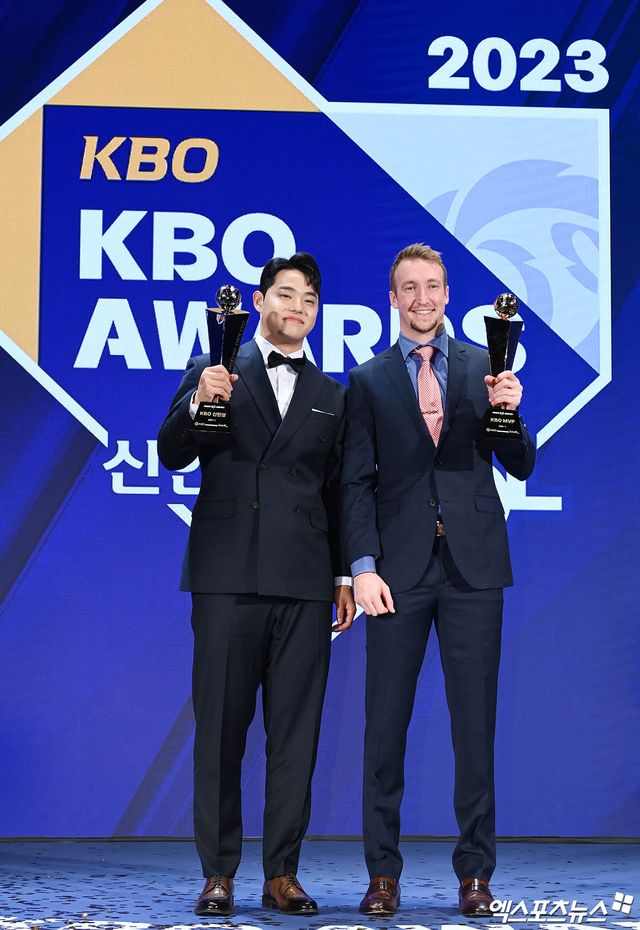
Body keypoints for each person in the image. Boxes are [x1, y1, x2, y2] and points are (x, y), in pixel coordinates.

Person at [158, 252, 355, 917]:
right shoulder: (215, 368)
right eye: (286, 294)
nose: (298, 307)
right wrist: (198, 401)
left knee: (296, 735)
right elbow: (170, 452)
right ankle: (218, 873)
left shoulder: (332, 394)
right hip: (227, 574)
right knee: (220, 730)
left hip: (304, 581)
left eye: (309, 299)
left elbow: (339, 493)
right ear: (260, 300)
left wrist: (343, 574)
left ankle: (282, 874)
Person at [341, 243, 536, 917]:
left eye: (432, 286)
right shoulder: (367, 380)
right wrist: (362, 568)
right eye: (409, 288)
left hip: (472, 570)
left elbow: (520, 463)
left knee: (474, 729)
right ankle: (382, 874)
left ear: (448, 295)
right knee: (384, 729)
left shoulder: (487, 367)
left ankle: (476, 874)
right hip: (396, 575)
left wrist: (510, 412)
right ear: (392, 298)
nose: (421, 298)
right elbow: (355, 482)